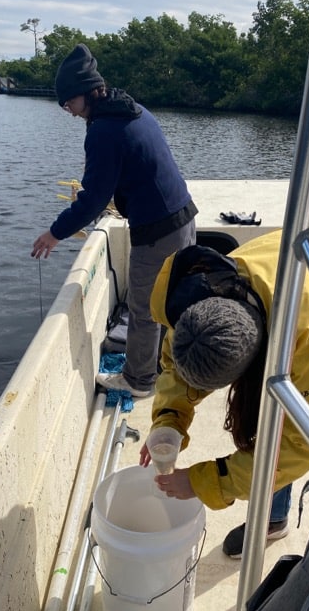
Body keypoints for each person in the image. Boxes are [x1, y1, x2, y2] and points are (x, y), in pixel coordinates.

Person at [139, 229, 309, 557]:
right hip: (287, 281)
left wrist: (205, 481)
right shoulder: (201, 305)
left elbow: (298, 445)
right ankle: (274, 517)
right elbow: (176, 367)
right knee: (267, 417)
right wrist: (169, 420)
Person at [32, 43, 197, 397]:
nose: (69, 112)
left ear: (84, 94)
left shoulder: (103, 130)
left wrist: (54, 233)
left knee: (143, 308)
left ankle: (139, 381)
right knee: (172, 299)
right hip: (183, 216)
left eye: (68, 103)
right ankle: (176, 366)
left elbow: (92, 201)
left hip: (157, 231)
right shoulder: (131, 108)